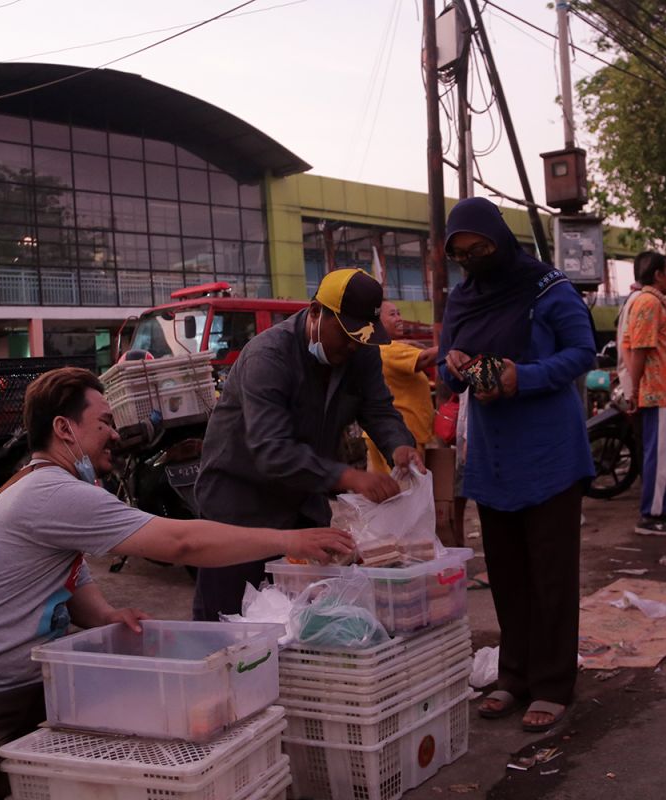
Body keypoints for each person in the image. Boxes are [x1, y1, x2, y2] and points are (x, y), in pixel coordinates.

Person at [0, 368, 353, 800]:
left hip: (22, 684)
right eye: (103, 422)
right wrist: (291, 538)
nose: (114, 434)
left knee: (143, 714)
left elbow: (71, 574)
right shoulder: (50, 491)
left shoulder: (49, 489)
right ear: (64, 429)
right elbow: (182, 542)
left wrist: (105, 615)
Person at [438, 197, 595, 733]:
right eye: (462, 254)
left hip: (549, 453)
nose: (474, 259)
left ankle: (553, 683)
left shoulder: (547, 287)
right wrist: (455, 366)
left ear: (500, 239)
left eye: (480, 248)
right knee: (507, 576)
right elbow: (444, 365)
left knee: (550, 574)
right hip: (494, 457)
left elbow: (582, 350)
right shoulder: (462, 301)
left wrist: (520, 376)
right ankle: (514, 676)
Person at [192, 268, 420, 622]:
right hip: (239, 502)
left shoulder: (361, 351)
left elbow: (378, 409)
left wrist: (400, 445)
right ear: (316, 312)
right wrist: (350, 477)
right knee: (229, 620)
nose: (352, 345)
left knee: (299, 617)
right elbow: (271, 449)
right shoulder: (267, 357)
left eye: (361, 337)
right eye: (345, 335)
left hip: (302, 500)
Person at [623, 252, 666, 535]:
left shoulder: (651, 303)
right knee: (660, 456)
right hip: (657, 392)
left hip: (664, 392)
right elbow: (638, 349)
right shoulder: (648, 303)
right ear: (658, 275)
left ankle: (665, 508)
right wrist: (636, 389)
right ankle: (652, 515)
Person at [363, 300, 439, 473]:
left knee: (386, 493)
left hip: (391, 433)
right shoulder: (389, 349)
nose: (399, 318)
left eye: (399, 313)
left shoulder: (379, 347)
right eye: (392, 314)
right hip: (402, 436)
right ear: (377, 322)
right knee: (404, 495)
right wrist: (456, 346)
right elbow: (424, 359)